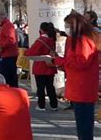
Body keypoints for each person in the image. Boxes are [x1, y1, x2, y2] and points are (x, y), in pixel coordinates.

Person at [52, 11, 100, 140]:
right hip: (80, 87)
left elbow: (81, 63)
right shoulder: (77, 40)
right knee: (83, 125)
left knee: (84, 126)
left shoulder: (84, 41)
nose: (66, 29)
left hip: (82, 88)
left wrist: (60, 61)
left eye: (68, 26)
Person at [25, 22, 58, 111]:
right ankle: (54, 105)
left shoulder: (40, 40)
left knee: (41, 87)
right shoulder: (52, 40)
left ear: (41, 30)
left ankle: (41, 105)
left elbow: (30, 52)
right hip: (50, 65)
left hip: (40, 66)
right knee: (50, 86)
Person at [0, 11, 19, 87]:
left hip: (9, 55)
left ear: (1, 17)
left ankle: (12, 94)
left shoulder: (8, 26)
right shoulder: (5, 26)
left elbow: (11, 39)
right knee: (8, 77)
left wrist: (1, 46)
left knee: (7, 78)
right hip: (6, 54)